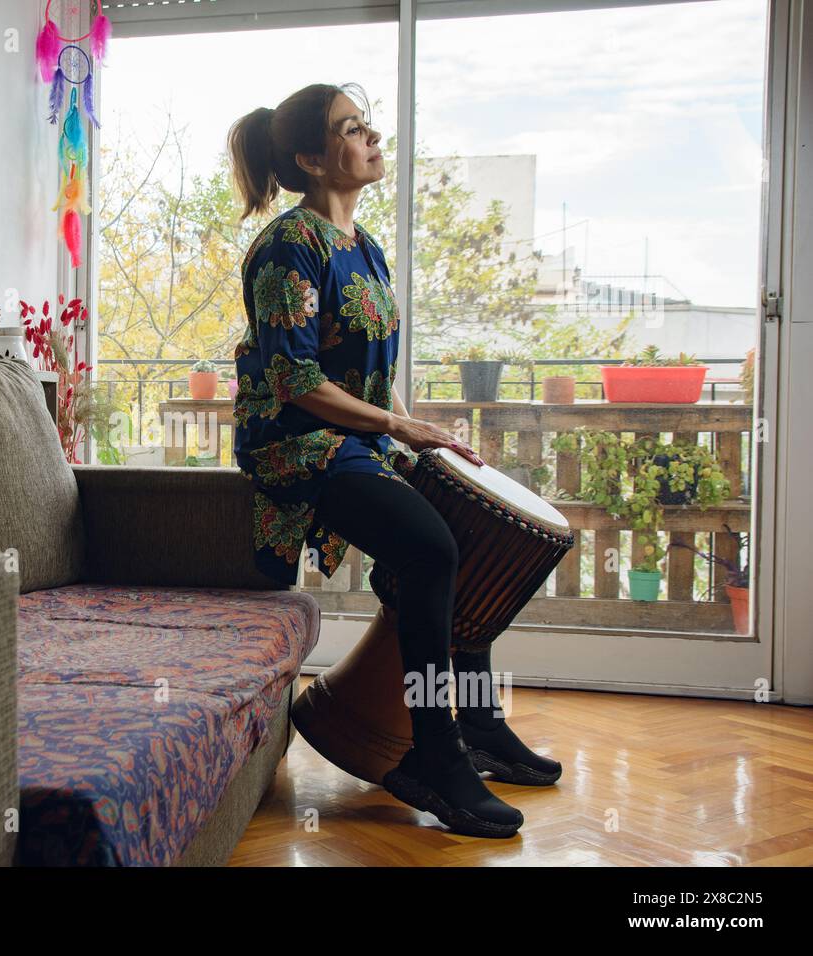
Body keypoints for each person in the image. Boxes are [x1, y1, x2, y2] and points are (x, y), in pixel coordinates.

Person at [227, 82, 560, 838]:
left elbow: (373, 366)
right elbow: (296, 381)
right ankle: (433, 756)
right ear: (313, 157)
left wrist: (418, 429)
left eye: (369, 125)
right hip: (297, 444)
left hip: (358, 437)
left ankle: (476, 723)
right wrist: (396, 431)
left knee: (470, 538)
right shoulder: (289, 247)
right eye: (353, 129)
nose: (374, 138)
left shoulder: (362, 245)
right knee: (427, 547)